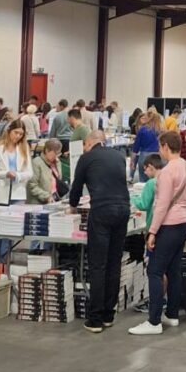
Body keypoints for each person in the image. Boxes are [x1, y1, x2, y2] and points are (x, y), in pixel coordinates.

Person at [129, 132, 186, 335]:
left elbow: (161, 205)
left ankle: (154, 322)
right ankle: (172, 315)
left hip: (170, 225)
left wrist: (152, 231)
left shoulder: (167, 172)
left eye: (160, 147)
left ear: (165, 147)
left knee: (154, 271)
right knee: (173, 269)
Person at [70, 131, 131, 333]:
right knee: (114, 263)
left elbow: (76, 187)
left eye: (85, 145)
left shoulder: (86, 158)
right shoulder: (119, 156)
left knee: (98, 265)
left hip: (102, 211)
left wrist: (72, 205)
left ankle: (95, 319)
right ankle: (108, 315)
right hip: (123, 209)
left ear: (89, 143)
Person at [0, 119, 33, 261]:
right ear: (8, 131)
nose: (18, 136)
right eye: (16, 132)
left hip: (17, 193)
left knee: (13, 228)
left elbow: (29, 173)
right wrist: (5, 174)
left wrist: (18, 175)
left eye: (21, 134)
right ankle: (1, 258)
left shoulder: (24, 148)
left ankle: (6, 257)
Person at [27, 138, 65, 205]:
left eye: (58, 153)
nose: (56, 156)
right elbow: (32, 186)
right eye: (55, 153)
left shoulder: (58, 162)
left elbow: (58, 181)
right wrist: (47, 196)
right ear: (47, 150)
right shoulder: (36, 163)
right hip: (39, 204)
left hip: (54, 201)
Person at [130, 153, 164, 228]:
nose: (145, 173)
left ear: (150, 166)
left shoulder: (151, 183)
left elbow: (143, 204)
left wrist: (131, 199)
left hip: (154, 222)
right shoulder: (167, 178)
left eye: (145, 169)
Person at [133, 113, 160, 182]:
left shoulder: (142, 129)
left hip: (144, 156)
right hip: (157, 157)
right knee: (156, 181)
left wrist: (132, 160)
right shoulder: (160, 131)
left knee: (143, 181)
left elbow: (136, 147)